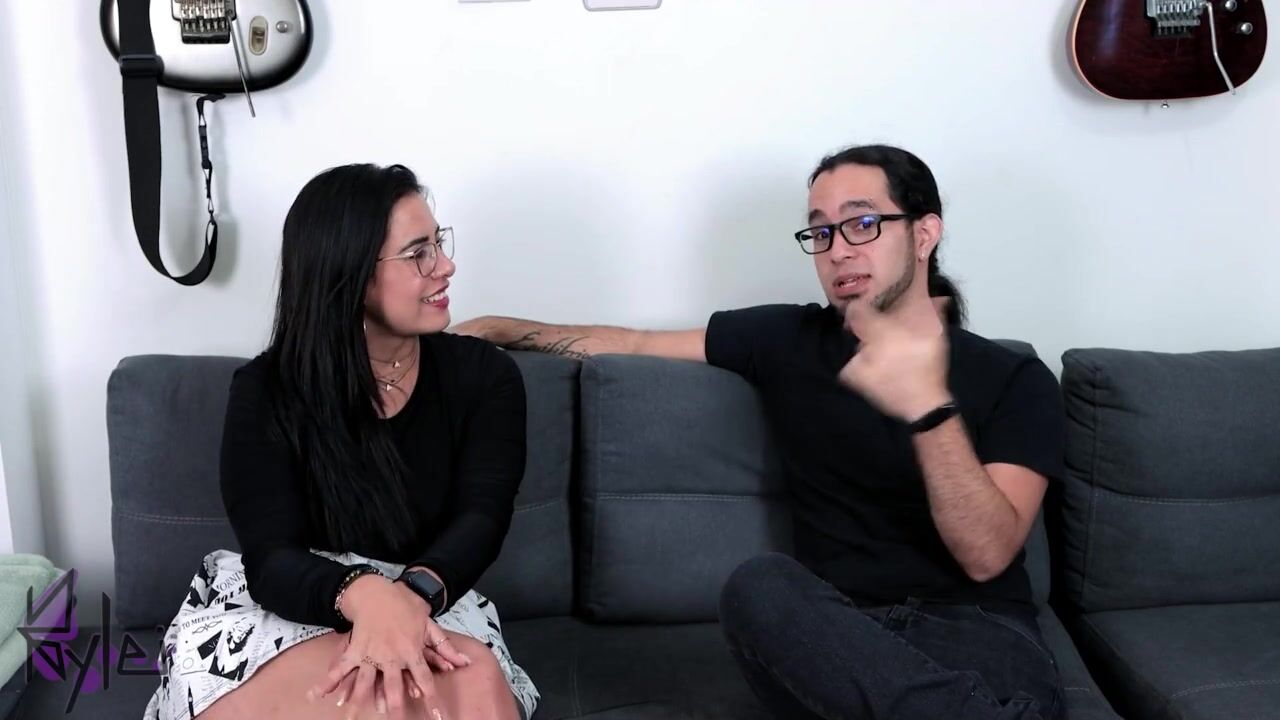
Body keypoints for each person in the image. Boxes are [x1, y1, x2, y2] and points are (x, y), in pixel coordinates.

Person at [451, 144, 1065, 719]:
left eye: (861, 223)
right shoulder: (786, 339)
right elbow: (632, 343)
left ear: (924, 233)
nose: (838, 250)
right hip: (836, 639)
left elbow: (986, 556)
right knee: (759, 586)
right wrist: (498, 329)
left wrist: (929, 408)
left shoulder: (1013, 377)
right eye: (821, 232)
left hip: (978, 629)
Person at [145, 163, 539, 720]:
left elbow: (482, 518)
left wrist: (406, 599)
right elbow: (271, 556)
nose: (445, 266)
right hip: (302, 597)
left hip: (431, 594)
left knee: (468, 685)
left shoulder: (485, 377)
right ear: (349, 273)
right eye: (418, 253)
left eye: (439, 243)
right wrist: (363, 595)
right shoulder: (266, 391)